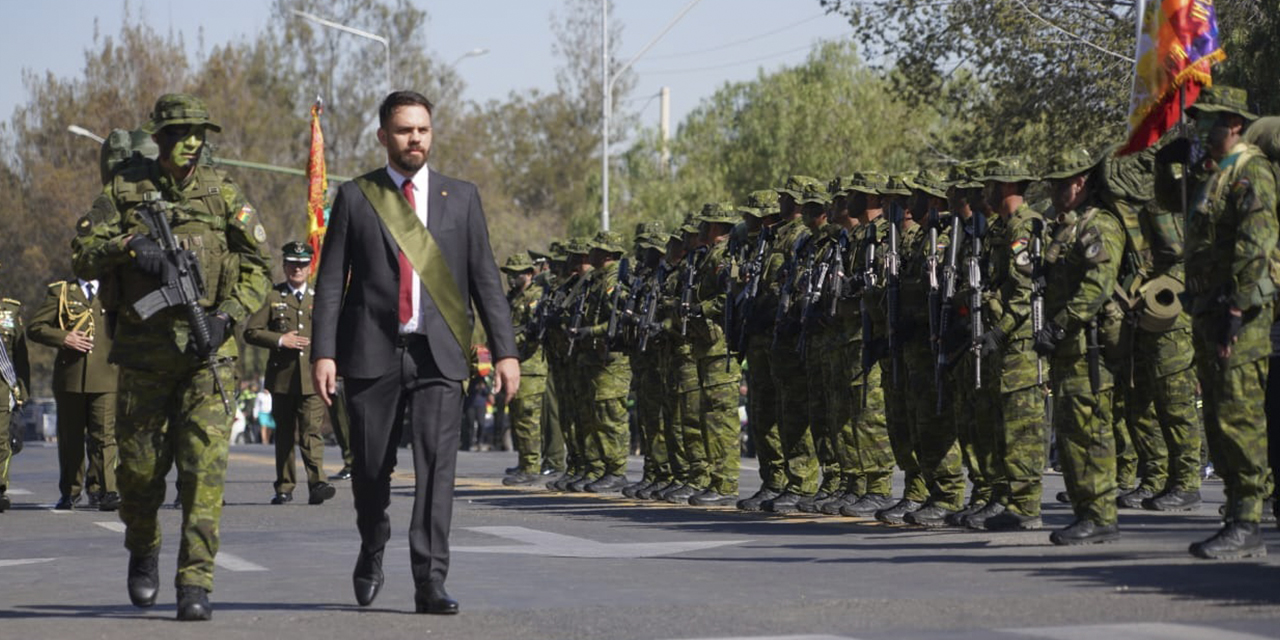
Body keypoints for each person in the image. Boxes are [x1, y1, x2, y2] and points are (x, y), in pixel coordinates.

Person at [311, 90, 518, 614]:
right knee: (370, 472)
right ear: (384, 136)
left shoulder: (462, 197)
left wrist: (505, 350)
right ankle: (372, 541)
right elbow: (332, 281)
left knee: (436, 469)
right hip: (371, 352)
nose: (415, 138)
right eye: (405, 130)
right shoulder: (358, 197)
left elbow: (484, 280)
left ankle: (430, 579)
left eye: (423, 129)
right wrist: (324, 352)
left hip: (439, 355)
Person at [72, 93, 272, 620]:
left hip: (208, 357)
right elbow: (83, 252)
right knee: (138, 476)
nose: (190, 143)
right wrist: (133, 247)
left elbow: (258, 265)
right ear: (158, 137)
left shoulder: (224, 195)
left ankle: (194, 583)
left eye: (198, 134)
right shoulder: (124, 189)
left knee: (204, 473)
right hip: (143, 358)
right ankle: (143, 547)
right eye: (180, 133)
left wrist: (229, 315)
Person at [1158, 86, 1275, 558]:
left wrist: (1236, 310)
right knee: (1220, 419)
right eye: (1198, 121)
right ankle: (1235, 514)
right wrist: (1165, 163)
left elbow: (1257, 244)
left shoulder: (1252, 172)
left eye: (1210, 122)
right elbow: (1172, 204)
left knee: (1239, 418)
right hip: (1208, 311)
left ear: (1234, 124)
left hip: (1239, 315)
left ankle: (1249, 520)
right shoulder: (1214, 175)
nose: (1202, 130)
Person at [1034, 147, 1126, 545]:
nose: (1056, 190)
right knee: (1072, 433)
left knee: (1091, 432)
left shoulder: (1097, 225)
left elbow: (1098, 285)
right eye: (1052, 183)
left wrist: (1059, 324)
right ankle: (1086, 510)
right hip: (1068, 350)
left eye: (1062, 183)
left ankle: (1100, 514)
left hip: (1088, 348)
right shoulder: (1068, 226)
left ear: (1082, 182)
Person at [243, 241, 337, 506]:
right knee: (284, 433)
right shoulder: (273, 297)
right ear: (284, 266)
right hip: (282, 378)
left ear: (310, 268)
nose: (297, 269)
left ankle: (318, 482)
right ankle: (284, 486)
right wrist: (281, 340)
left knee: (311, 431)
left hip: (312, 378)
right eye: (292, 264)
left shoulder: (320, 298)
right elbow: (251, 332)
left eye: (302, 265)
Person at [27, 277, 120, 511]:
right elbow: (36, 327)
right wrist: (64, 337)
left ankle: (107, 490)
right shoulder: (62, 291)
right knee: (71, 439)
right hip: (71, 377)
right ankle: (71, 491)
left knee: (105, 435)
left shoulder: (116, 288)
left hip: (107, 375)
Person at [0, 279, 30, 513]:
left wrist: (22, 388)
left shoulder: (9, 310)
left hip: (1, 386)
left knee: (1, 439)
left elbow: (20, 355)